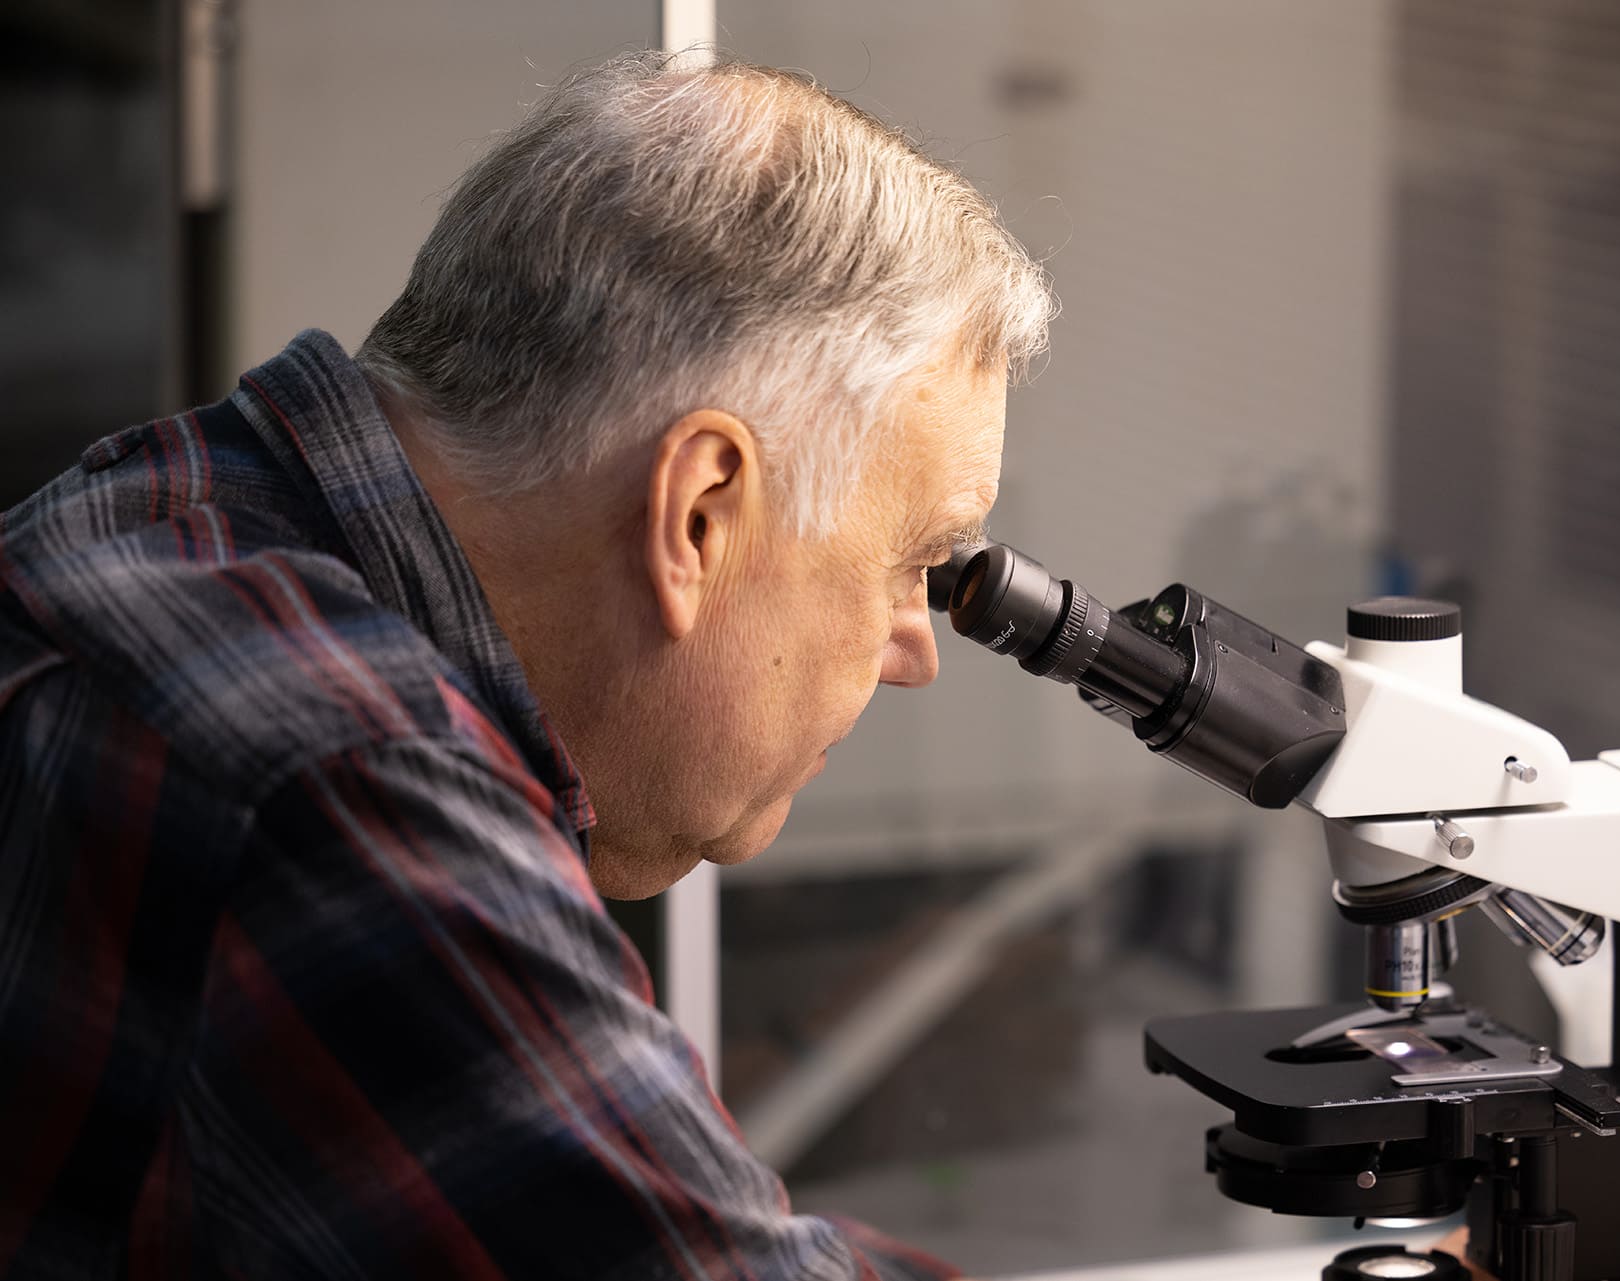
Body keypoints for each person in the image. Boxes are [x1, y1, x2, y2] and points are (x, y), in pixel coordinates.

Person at [0, 51, 1051, 1278]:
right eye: (913, 560)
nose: (917, 648)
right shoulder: (337, 770)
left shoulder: (164, 513)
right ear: (700, 514)